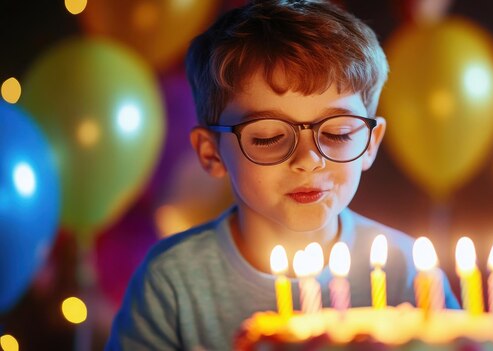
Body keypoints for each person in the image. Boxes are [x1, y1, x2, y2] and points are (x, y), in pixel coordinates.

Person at [106, 1, 459, 350]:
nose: (308, 160)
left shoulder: (407, 269)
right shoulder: (173, 280)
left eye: (337, 133)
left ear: (370, 143)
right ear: (211, 152)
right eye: (268, 137)